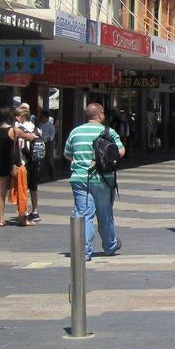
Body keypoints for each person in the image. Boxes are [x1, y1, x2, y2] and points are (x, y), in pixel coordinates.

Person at [63, 102, 126, 261]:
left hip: (79, 178)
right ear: (100, 115)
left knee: (83, 214)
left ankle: (83, 252)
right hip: (103, 179)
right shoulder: (108, 131)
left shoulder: (75, 132)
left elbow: (67, 154)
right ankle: (110, 245)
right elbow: (120, 151)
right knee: (105, 214)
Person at [15, 104, 42, 223]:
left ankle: (23, 211)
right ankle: (35, 211)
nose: (15, 117)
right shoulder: (36, 128)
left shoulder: (19, 128)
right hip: (35, 161)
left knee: (23, 187)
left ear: (23, 116)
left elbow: (19, 146)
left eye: (17, 115)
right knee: (33, 188)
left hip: (23, 161)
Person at [39, 111, 57, 182]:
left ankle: (51, 175)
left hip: (48, 143)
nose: (42, 119)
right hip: (41, 142)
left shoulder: (50, 125)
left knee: (49, 159)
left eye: (43, 117)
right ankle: (40, 175)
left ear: (46, 118)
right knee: (41, 160)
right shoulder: (40, 125)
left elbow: (52, 134)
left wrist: (50, 138)